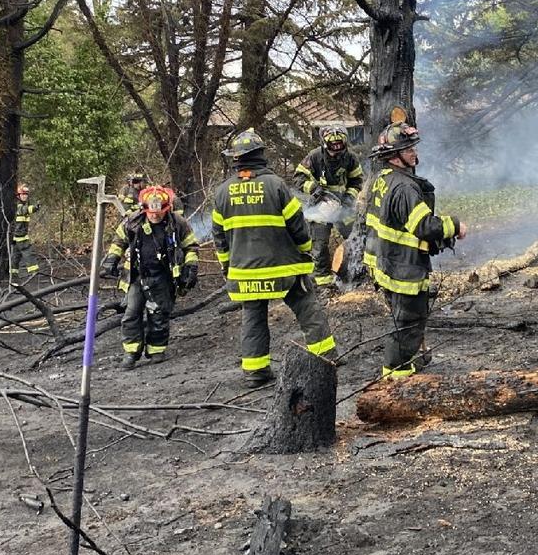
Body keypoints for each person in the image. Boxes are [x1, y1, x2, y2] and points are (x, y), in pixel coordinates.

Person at [211, 129, 337, 387]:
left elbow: (219, 238)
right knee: (306, 305)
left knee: (253, 317)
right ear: (260, 155)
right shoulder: (276, 185)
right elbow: (298, 226)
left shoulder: (222, 192)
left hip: (244, 273)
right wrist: (306, 250)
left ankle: (255, 371)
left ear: (236, 159)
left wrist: (227, 267)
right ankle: (324, 355)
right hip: (284, 268)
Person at [363, 122, 467, 379]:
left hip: (384, 263)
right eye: (407, 148)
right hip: (403, 269)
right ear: (393, 155)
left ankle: (409, 363)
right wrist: (454, 225)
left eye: (412, 146)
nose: (413, 152)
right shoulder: (404, 187)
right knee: (408, 323)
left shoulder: (382, 180)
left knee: (403, 320)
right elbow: (423, 226)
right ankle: (396, 379)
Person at [100, 186, 199, 369]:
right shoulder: (133, 221)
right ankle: (131, 352)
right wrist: (111, 260)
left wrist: (191, 267)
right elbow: (118, 241)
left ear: (166, 208)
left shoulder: (177, 223)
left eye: (159, 212)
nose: (155, 216)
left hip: (163, 276)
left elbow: (190, 247)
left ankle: (156, 350)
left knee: (159, 314)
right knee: (131, 314)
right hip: (137, 276)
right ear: (144, 209)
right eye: (151, 212)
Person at [294, 125, 365, 288]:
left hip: (343, 206)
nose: (336, 149)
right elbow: (298, 178)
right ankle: (324, 282)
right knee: (319, 244)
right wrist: (314, 189)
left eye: (340, 145)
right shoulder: (314, 157)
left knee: (355, 236)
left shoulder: (351, 158)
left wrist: (348, 200)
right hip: (320, 206)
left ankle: (358, 273)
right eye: (333, 146)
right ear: (325, 144)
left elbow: (356, 181)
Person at [10, 184, 40, 279]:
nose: (25, 196)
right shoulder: (18, 207)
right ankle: (34, 272)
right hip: (20, 237)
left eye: (26, 194)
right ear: (18, 195)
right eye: (23, 194)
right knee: (29, 253)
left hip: (15, 237)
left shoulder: (18, 206)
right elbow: (26, 210)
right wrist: (36, 207)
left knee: (15, 256)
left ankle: (13, 273)